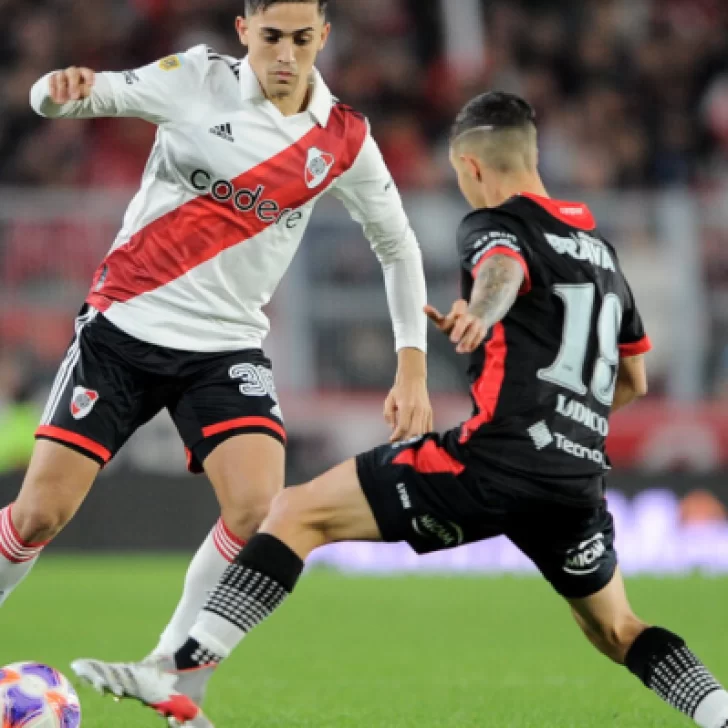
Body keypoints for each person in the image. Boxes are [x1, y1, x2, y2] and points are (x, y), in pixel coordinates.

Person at [73, 91, 728, 728]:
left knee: (296, 513)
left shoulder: (494, 224)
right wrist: (568, 421)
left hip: (495, 460)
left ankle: (183, 670)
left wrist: (482, 310)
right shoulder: (603, 256)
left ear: (472, 166)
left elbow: (500, 268)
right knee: (618, 628)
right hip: (576, 480)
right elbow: (634, 379)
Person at [1, 0, 431, 672]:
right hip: (124, 328)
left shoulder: (343, 137)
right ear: (243, 33)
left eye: (299, 39)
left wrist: (412, 367)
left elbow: (398, 245)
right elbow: (84, 95)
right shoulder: (195, 79)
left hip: (225, 347)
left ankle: (166, 668)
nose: (284, 56)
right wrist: (56, 91)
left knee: (258, 507)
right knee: (38, 516)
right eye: (269, 39)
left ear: (323, 36)